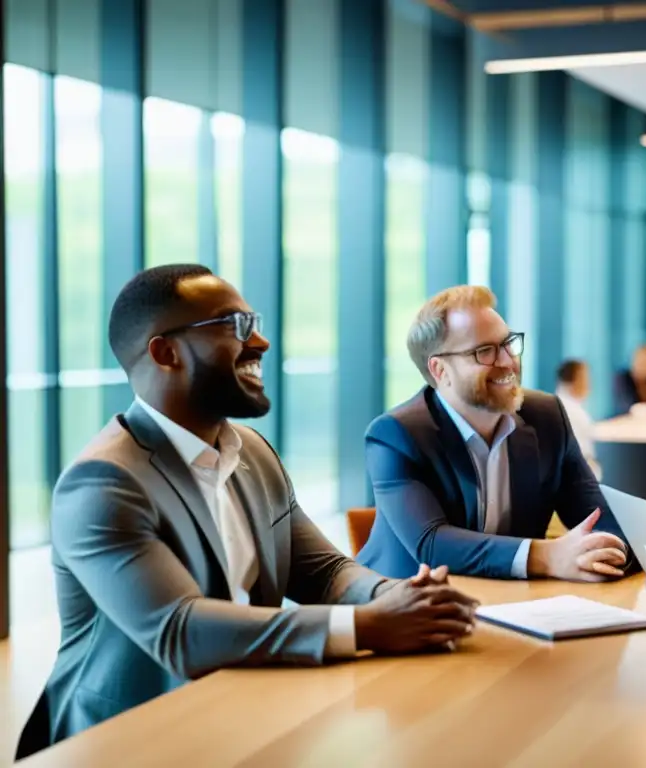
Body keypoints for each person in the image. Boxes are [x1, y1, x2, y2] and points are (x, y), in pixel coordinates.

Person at [17, 266, 478, 758]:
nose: (260, 341)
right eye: (233, 325)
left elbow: (323, 573)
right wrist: (371, 624)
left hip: (243, 705)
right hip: (126, 738)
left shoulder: (252, 452)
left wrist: (397, 595)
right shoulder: (103, 482)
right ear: (165, 353)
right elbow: (180, 631)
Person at [357, 286, 629, 581]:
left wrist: (613, 553)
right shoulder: (396, 435)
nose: (508, 362)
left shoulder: (546, 417)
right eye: (485, 351)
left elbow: (599, 519)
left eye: (508, 344)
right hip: (405, 605)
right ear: (440, 370)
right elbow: (433, 544)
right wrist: (549, 556)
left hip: (512, 603)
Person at [555, 359, 601, 480]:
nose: (589, 384)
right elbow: (583, 458)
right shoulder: (573, 413)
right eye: (585, 378)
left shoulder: (558, 406)